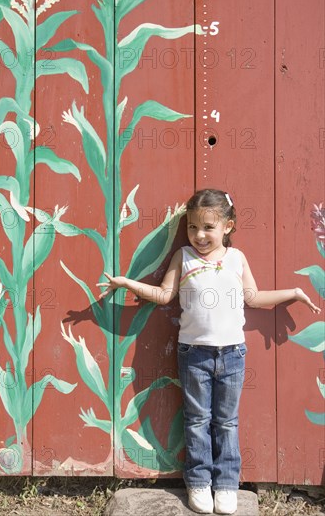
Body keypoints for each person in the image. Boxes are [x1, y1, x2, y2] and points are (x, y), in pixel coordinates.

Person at [97, 188, 321, 515]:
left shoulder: (236, 259)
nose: (199, 235)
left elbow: (253, 297)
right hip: (194, 356)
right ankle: (199, 482)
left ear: (228, 226)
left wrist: (295, 293)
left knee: (226, 422)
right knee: (197, 419)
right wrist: (128, 284)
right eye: (192, 227)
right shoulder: (183, 258)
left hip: (232, 354)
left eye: (208, 227)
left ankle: (227, 484)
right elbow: (163, 295)